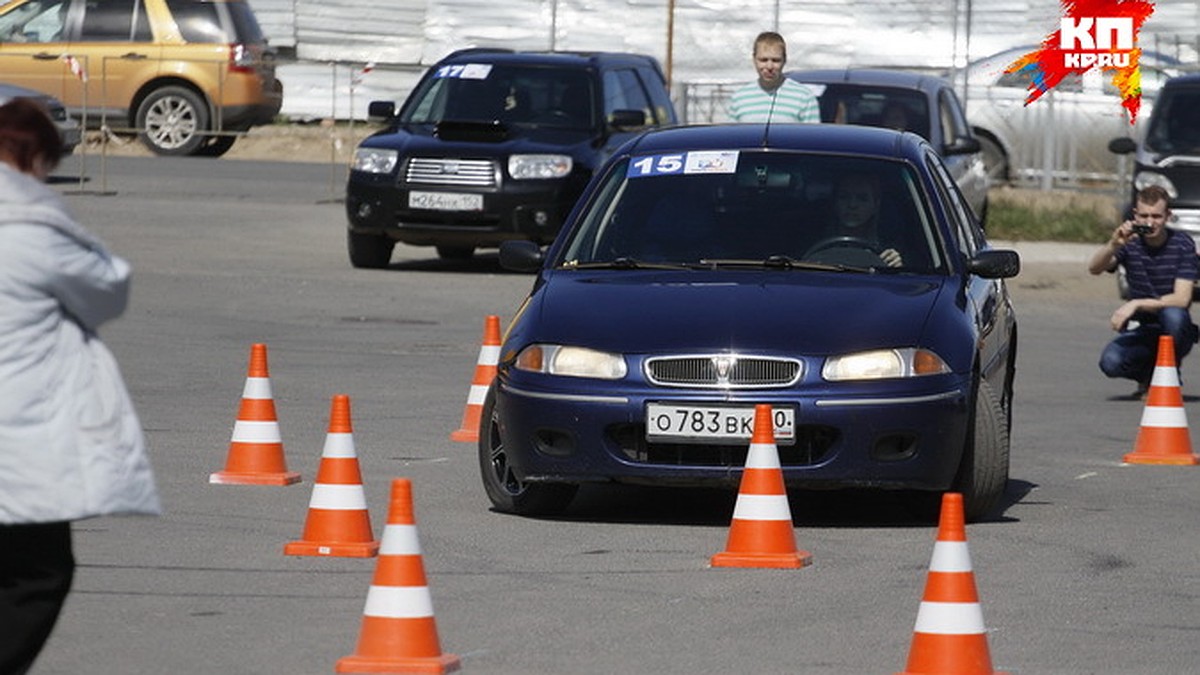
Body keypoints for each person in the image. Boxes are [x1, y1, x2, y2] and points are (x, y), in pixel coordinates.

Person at [0, 97, 160, 674]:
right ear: (32, 157)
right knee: (40, 572)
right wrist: (59, 216)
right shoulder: (32, 226)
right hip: (17, 438)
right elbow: (107, 289)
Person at [1088, 184, 1199, 398]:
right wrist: (1113, 244)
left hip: (1175, 328)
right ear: (1135, 215)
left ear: (1168, 216)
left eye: (1157, 216)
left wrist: (1136, 303)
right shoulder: (1130, 243)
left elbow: (1182, 299)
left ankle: (1169, 373)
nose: (1150, 222)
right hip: (1142, 327)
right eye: (1145, 215)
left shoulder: (1182, 244)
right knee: (1110, 362)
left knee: (1174, 316)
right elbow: (1094, 268)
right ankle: (1148, 375)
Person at [728, 31, 820, 124]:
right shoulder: (739, 98)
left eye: (776, 60)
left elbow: (813, 137)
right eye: (763, 60)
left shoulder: (804, 97)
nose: (769, 67)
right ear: (754, 59)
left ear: (784, 60)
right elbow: (730, 137)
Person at [815, 172, 904, 267]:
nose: (852, 205)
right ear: (835, 203)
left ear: (875, 205)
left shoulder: (888, 248)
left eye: (862, 198)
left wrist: (896, 267)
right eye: (844, 197)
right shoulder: (812, 240)